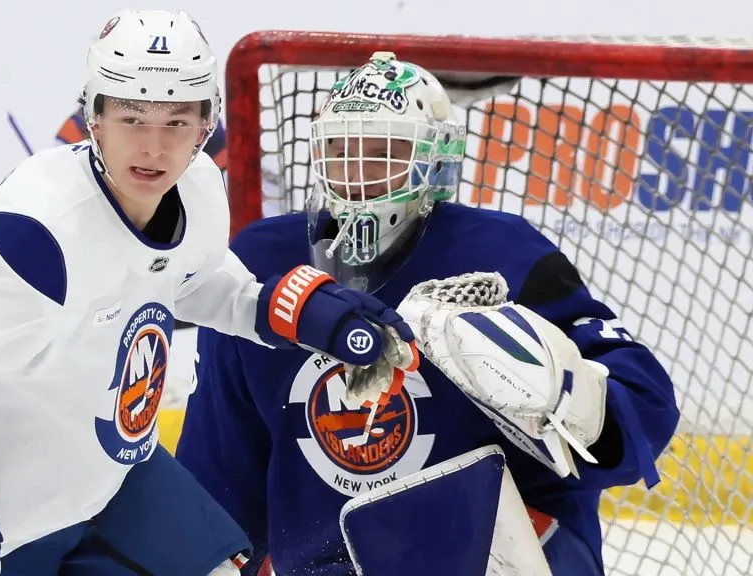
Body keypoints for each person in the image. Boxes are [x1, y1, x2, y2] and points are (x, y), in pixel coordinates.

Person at [0, 12, 413, 576]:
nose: (154, 147)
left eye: (176, 122)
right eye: (132, 119)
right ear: (93, 117)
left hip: (114, 479)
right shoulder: (42, 236)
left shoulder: (200, 187)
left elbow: (193, 279)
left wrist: (280, 309)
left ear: (206, 126)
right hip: (0, 511)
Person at [174, 53, 680, 575]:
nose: (358, 175)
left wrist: (575, 399)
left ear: (435, 160)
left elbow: (643, 404)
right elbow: (221, 452)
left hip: (503, 556)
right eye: (342, 151)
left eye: (383, 153)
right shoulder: (262, 262)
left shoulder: (505, 253)